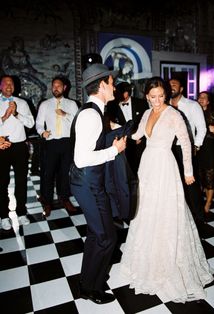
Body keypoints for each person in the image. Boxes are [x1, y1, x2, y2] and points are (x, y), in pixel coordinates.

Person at [120, 76, 214, 302]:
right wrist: (115, 130)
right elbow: (137, 136)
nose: (157, 100)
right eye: (153, 97)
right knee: (146, 210)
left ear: (166, 95)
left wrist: (188, 172)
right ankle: (148, 259)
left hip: (165, 166)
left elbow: (185, 142)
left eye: (161, 96)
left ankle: (169, 264)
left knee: (167, 212)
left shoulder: (174, 114)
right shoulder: (145, 113)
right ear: (146, 96)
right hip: (148, 165)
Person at [69, 63, 127, 304]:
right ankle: (89, 288)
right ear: (102, 85)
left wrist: (112, 134)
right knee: (107, 237)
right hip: (88, 184)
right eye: (112, 82)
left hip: (89, 183)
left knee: (96, 234)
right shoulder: (91, 115)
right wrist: (114, 150)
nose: (114, 85)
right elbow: (82, 158)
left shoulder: (95, 112)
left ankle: (89, 279)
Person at [36, 76, 78, 217]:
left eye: (58, 86)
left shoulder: (72, 104)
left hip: (67, 142)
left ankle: (64, 198)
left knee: (65, 173)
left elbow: (78, 122)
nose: (55, 88)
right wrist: (42, 132)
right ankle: (47, 202)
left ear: (64, 88)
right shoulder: (45, 104)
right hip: (51, 142)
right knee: (48, 174)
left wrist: (65, 114)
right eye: (53, 86)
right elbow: (39, 124)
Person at [169, 77, 206, 229]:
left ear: (181, 89)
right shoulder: (164, 106)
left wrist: (195, 147)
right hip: (168, 149)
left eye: (174, 85)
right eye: (169, 85)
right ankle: (178, 217)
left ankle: (198, 218)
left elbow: (201, 128)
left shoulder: (192, 105)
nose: (171, 87)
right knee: (172, 184)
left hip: (185, 148)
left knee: (191, 185)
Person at [0, 75, 34, 230]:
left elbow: (31, 123)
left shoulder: (22, 103)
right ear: (1, 86)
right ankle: (3, 216)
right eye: (6, 83)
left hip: (20, 146)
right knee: (2, 183)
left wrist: (16, 114)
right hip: (1, 146)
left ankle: (21, 212)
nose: (9, 86)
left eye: (11, 84)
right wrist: (5, 116)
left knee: (21, 181)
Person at [107, 81, 149, 175]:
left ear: (127, 93)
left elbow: (147, 122)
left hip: (141, 143)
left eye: (120, 93)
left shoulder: (141, 103)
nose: (117, 95)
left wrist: (141, 137)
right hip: (123, 143)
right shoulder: (111, 106)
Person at [197, 91, 214, 213]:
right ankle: (201, 199)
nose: (201, 99)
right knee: (200, 175)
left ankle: (208, 202)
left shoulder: (212, 113)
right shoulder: (195, 112)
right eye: (199, 97)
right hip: (198, 148)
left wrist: (213, 130)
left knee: (210, 175)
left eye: (204, 98)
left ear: (208, 101)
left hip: (209, 148)